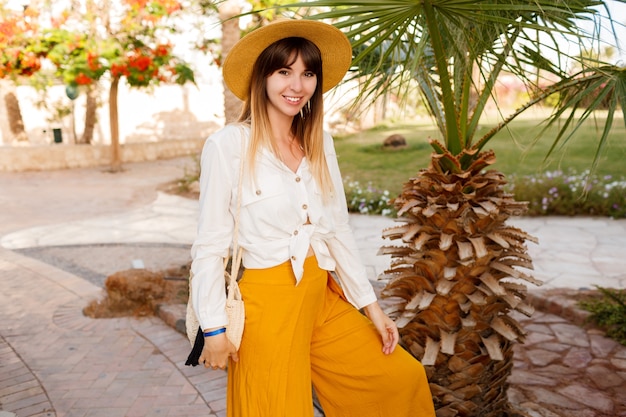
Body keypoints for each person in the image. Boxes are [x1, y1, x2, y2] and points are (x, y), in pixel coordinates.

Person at [190, 18, 436, 417]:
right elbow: (209, 245)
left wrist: (372, 308)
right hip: (267, 302)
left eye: (307, 73)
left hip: (320, 294)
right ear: (262, 77)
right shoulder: (228, 146)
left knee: (398, 378)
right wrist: (213, 328)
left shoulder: (319, 141)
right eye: (284, 71)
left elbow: (337, 229)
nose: (297, 85)